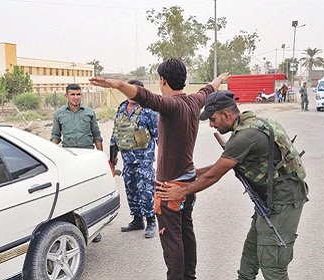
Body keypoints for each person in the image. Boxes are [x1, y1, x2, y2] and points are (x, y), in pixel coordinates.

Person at [90, 58, 229, 280]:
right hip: (188, 182)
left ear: (163, 80)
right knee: (186, 233)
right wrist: (220, 79)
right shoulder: (194, 101)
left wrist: (118, 85)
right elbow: (208, 89)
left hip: (170, 188)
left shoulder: (171, 105)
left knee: (172, 240)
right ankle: (189, 276)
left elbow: (144, 96)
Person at [156, 90, 309, 280]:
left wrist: (181, 190)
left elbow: (214, 175)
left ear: (226, 115)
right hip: (269, 200)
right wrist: (193, 173)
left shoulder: (244, 136)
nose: (211, 125)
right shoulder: (253, 124)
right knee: (249, 261)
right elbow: (223, 165)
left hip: (284, 202)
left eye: (213, 119)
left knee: (273, 267)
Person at [50, 84, 104, 242]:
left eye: (79, 94)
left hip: (88, 157)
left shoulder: (89, 113)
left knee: (92, 193)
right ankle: (76, 228)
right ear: (66, 96)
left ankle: (95, 228)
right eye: (73, 94)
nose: (76, 97)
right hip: (70, 159)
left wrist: (101, 157)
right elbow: (55, 136)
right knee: (73, 195)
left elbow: (97, 136)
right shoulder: (59, 114)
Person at [110, 79, 159, 238]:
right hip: (127, 159)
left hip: (144, 159)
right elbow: (115, 132)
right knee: (131, 189)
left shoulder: (149, 110)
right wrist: (113, 155)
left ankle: (151, 220)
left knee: (146, 189)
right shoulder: (121, 108)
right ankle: (137, 219)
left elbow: (159, 136)